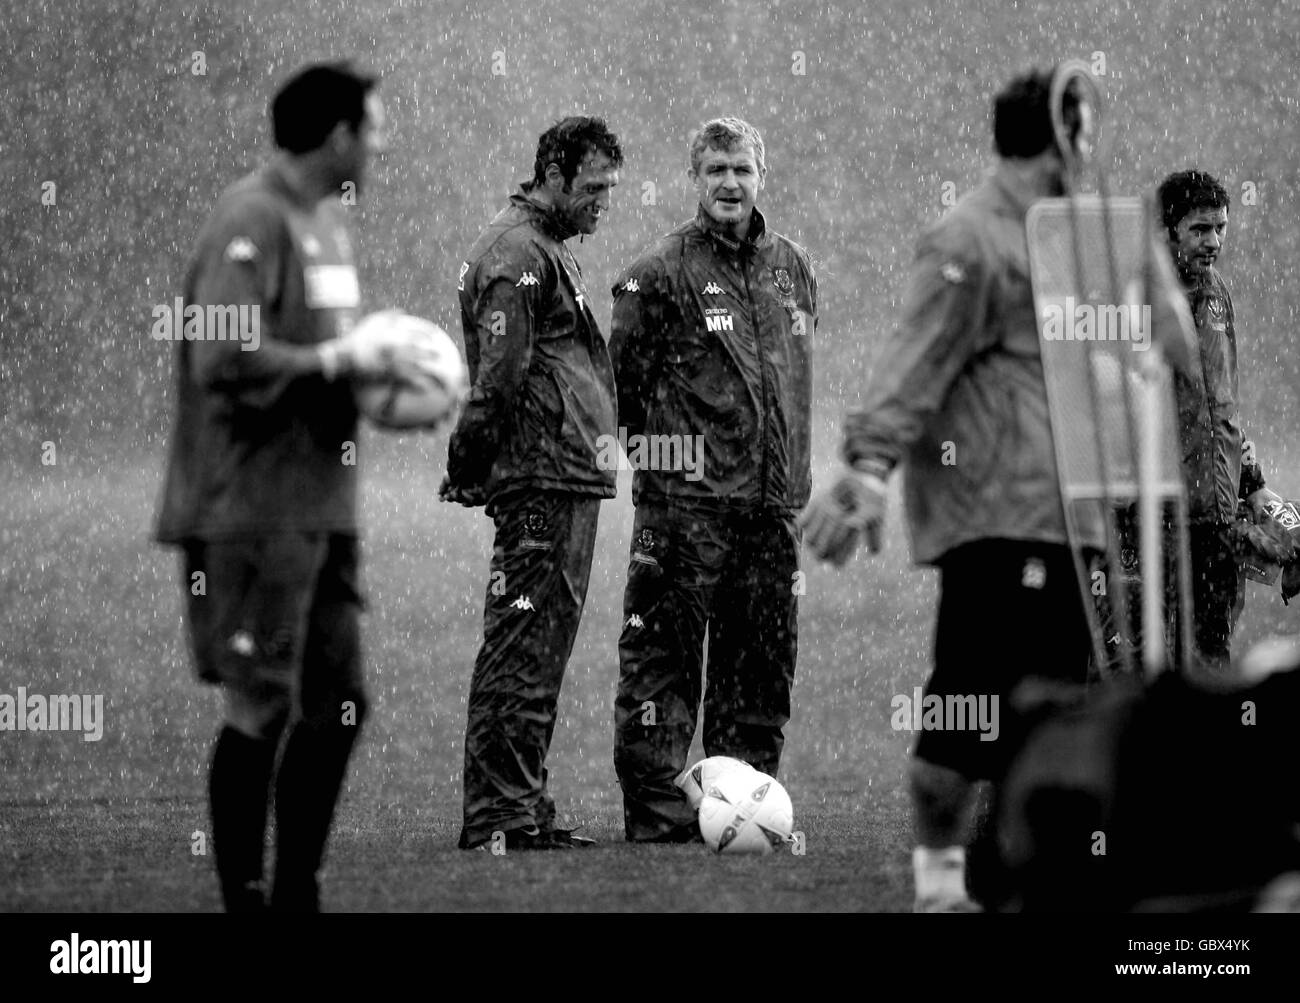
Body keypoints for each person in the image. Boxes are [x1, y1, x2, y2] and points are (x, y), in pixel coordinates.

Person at [800, 67, 1193, 911]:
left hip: (1077, 522)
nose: (1093, 151)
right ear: (1063, 136)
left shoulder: (1090, 235)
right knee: (959, 732)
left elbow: (1175, 346)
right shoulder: (968, 239)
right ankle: (942, 887)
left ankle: (1009, 883)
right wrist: (867, 468)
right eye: (1083, 132)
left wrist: (1143, 267)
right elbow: (914, 360)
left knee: (1046, 732)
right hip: (995, 521)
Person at [155, 62, 427, 911]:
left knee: (340, 702)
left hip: (323, 509)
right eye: (375, 126)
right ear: (340, 135)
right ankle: (245, 894)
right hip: (249, 513)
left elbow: (329, 359)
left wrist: (386, 377)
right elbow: (220, 355)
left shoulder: (330, 225)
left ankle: (297, 891)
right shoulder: (252, 219)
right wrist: (336, 362)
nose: (383, 142)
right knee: (259, 704)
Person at [610, 117, 816, 843]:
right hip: (684, 511)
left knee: (759, 667)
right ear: (695, 178)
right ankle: (660, 817)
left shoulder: (793, 267)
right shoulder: (658, 271)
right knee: (661, 668)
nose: (731, 183)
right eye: (716, 170)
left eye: (742, 170)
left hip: (771, 510)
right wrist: (670, 470)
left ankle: (744, 803)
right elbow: (622, 389)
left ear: (762, 176)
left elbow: (791, 380)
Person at [440, 117, 622, 851]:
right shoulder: (516, 255)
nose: (604, 201)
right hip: (541, 477)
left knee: (540, 645)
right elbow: (499, 376)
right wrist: (466, 462)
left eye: (610, 187)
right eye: (593, 187)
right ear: (552, 172)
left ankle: (522, 803)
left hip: (565, 472)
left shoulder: (546, 249)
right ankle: (498, 814)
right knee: (522, 643)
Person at [1149, 170, 1282, 668]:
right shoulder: (1135, 301)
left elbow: (1221, 407)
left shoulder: (1218, 293)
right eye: (1200, 229)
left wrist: (1254, 483)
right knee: (1150, 669)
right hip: (1154, 520)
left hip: (1217, 519)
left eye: (1221, 228)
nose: (1214, 242)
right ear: (1167, 230)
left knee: (1212, 661)